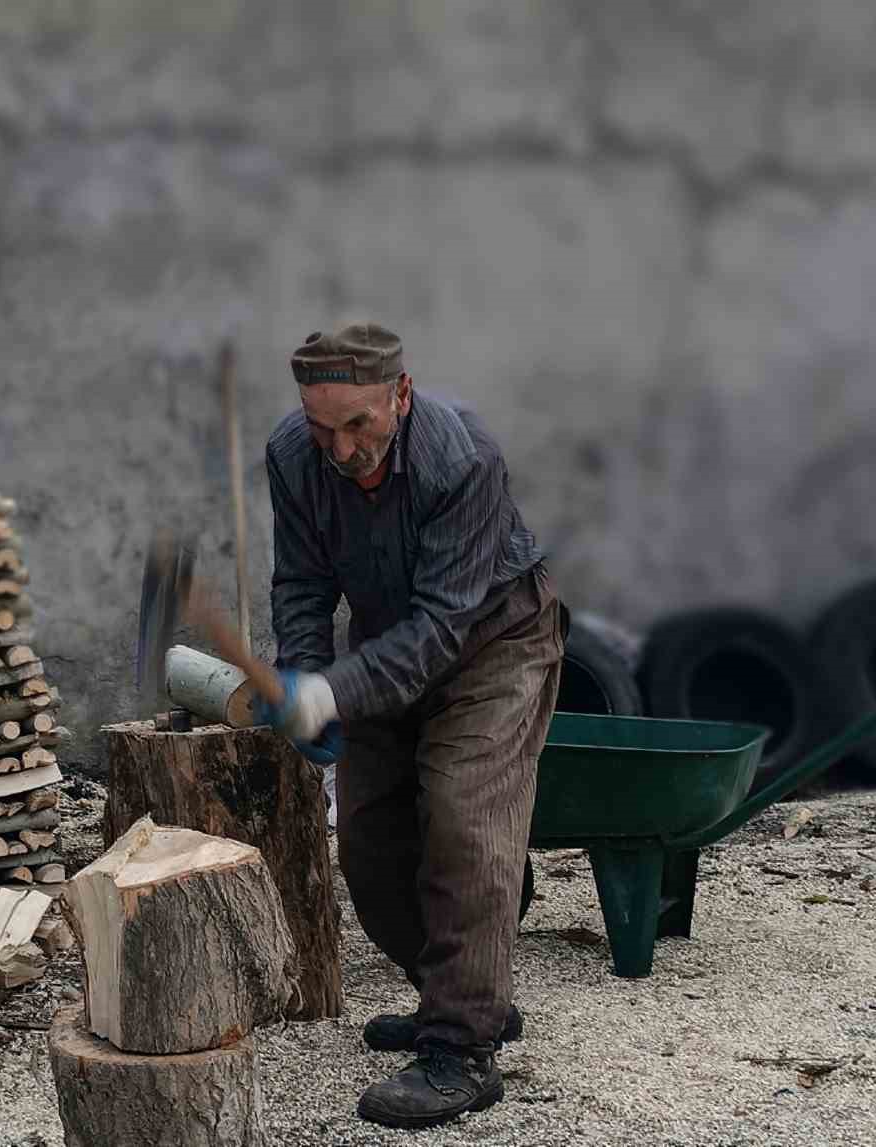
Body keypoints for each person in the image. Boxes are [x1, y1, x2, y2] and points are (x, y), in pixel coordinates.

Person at [257, 322, 567, 1130]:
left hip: (493, 639)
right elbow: (300, 582)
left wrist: (332, 691)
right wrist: (298, 672)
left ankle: (461, 1048)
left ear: (401, 394)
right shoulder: (294, 455)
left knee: (464, 817)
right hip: (387, 646)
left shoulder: (461, 459)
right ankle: (463, 991)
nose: (341, 447)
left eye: (358, 424)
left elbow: (440, 629)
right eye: (323, 427)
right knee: (367, 841)